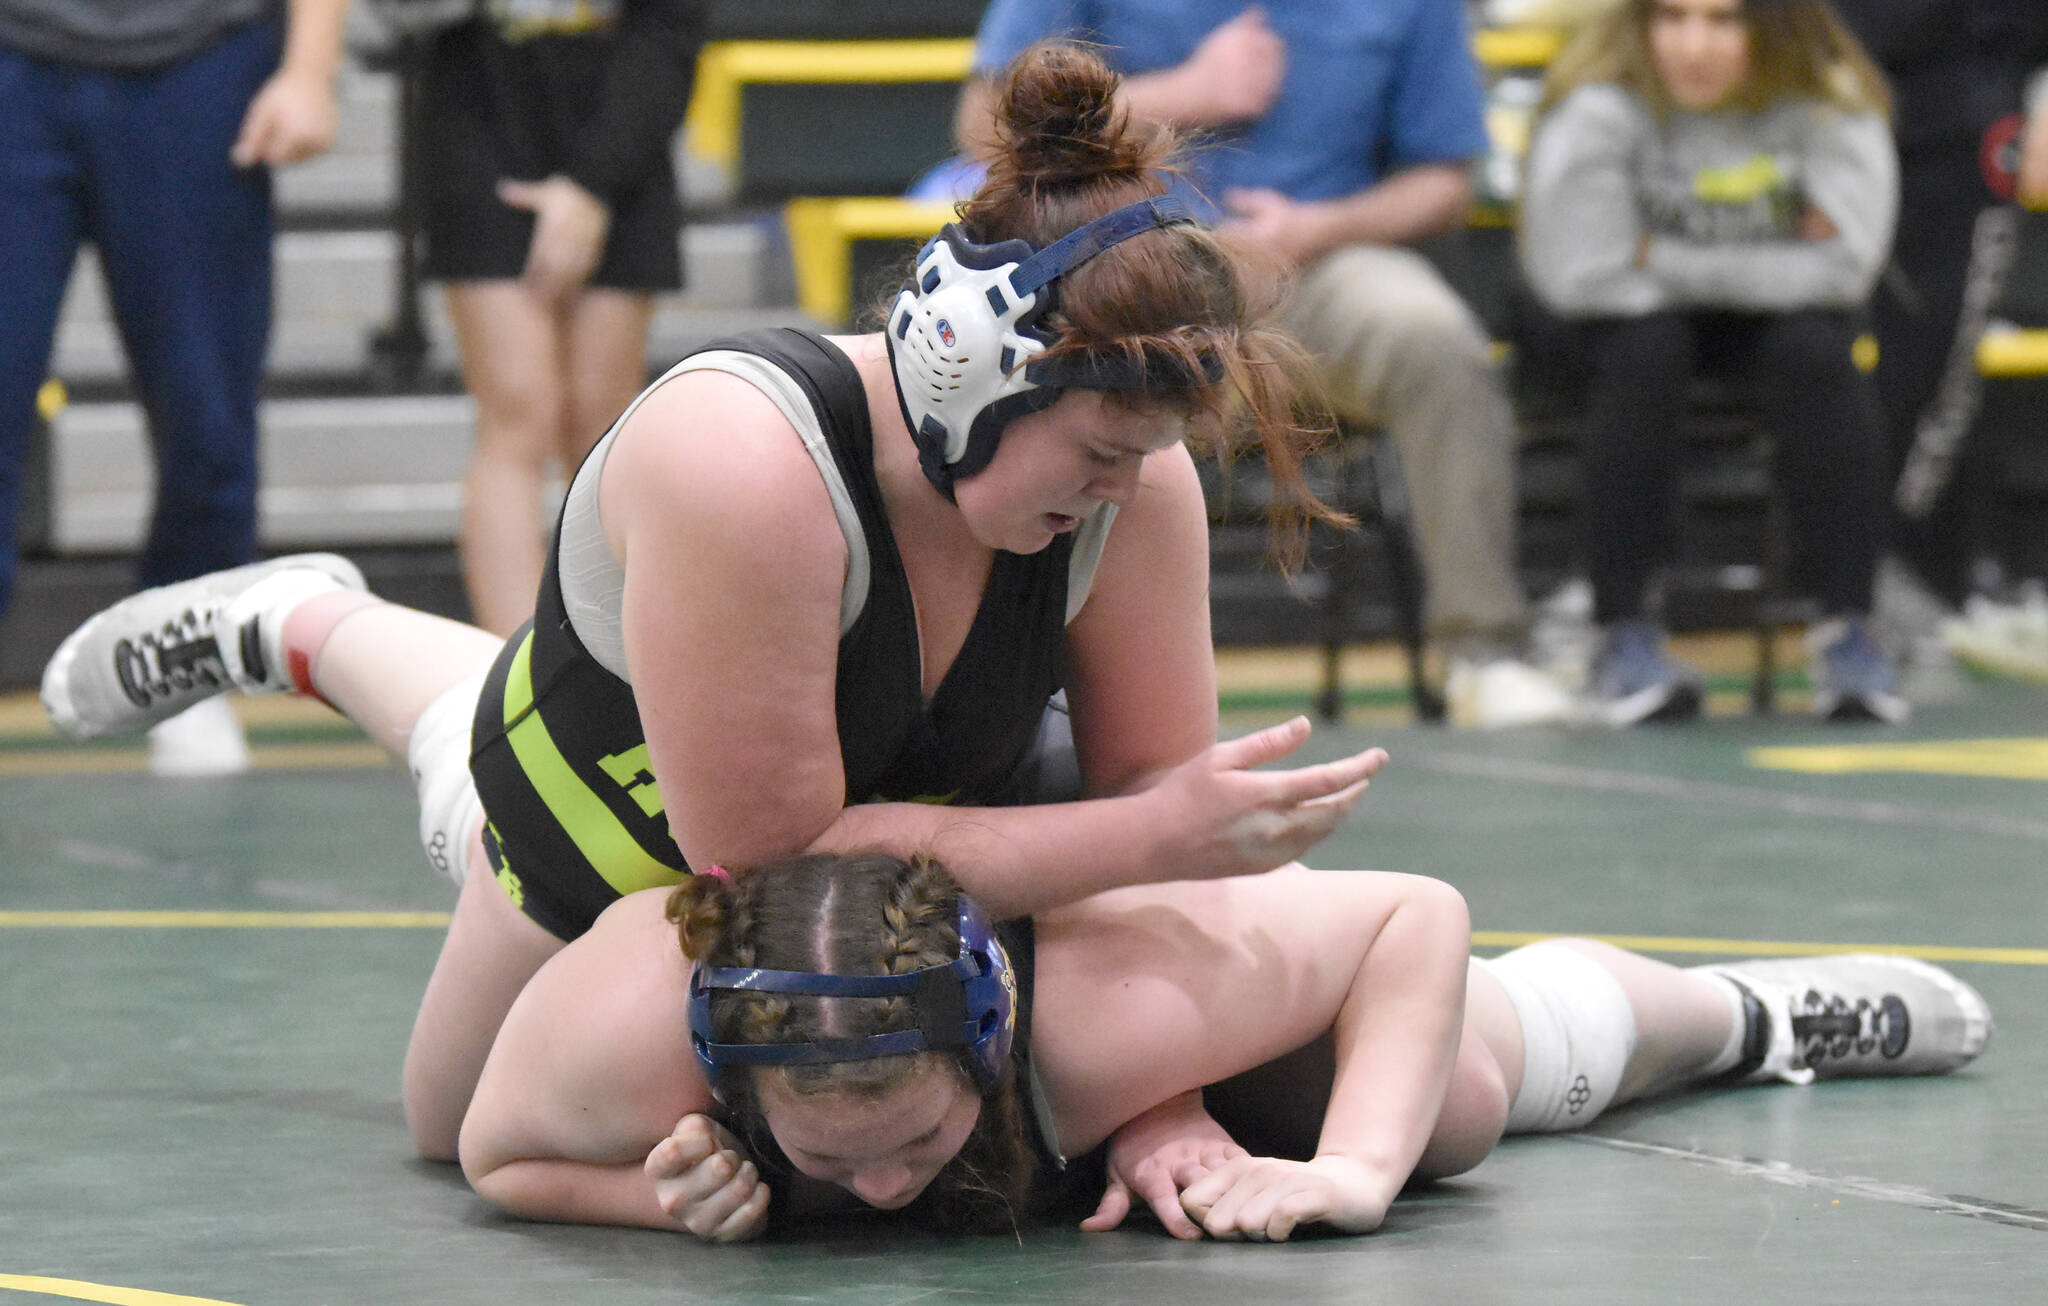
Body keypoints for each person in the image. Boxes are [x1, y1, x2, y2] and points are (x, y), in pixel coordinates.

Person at [40, 41, 1391, 1164]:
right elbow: (770, 851)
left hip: (864, 856)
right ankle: (300, 625)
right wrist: (1154, 834)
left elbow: (1152, 828)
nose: (1116, 491)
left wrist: (1170, 1104)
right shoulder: (745, 463)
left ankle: (318, 629)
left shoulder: (1133, 487)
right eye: (1097, 454)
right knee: (457, 1121)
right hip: (612, 825)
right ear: (965, 373)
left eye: (1142, 460)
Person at [37, 564, 1994, 1244]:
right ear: (731, 1064)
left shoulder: (1088, 1009)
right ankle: (309, 620)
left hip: (1062, 850)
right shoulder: (644, 1011)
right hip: (748, 839)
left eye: (912, 1140)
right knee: (523, 801)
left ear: (993, 1043)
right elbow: (488, 1142)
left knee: (1466, 1086)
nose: (879, 1192)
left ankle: (1748, 1009)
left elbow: (1409, 912)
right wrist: (649, 1186)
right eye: (837, 1146)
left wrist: (1353, 1166)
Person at [955, 2, 1575, 729]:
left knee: (1437, 341)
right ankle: (1017, 664)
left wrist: (1322, 228)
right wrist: (1189, 91)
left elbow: (1445, 180)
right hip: (1122, 270)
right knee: (1048, 364)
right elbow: (979, 123)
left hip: (1317, 268)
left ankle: (1483, 651)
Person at [1519, 0, 1905, 725]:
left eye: (1724, 20)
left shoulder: (1830, 102)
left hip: (1751, 316)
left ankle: (1850, 627)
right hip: (1606, 324)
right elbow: (1583, 272)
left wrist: (1654, 253)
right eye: (1672, 17)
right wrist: (1771, 255)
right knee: (1648, 348)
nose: (1695, 45)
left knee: (1820, 349)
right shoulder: (1597, 103)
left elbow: (1844, 273)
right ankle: (1621, 631)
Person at [0, 0, 349, 775]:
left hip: (204, 62)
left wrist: (308, 69)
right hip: (14, 62)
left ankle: (187, 674)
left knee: (207, 409)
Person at [415, 0, 707, 636]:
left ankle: (612, 667)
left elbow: (671, 33)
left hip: (621, 137)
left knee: (601, 421)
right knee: (519, 410)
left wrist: (594, 185)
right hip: (480, 131)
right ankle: (509, 677)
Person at [1829, 4, 2048, 690]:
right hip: (1829, 94)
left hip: (1966, 109)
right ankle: (1854, 573)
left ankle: (1893, 562)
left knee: (1939, 350)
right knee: (1814, 346)